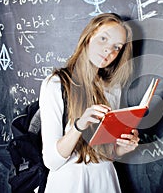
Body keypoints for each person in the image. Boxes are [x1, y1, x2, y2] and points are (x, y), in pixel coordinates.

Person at [39, 13, 139, 193]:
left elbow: (106, 154)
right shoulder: (56, 84)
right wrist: (79, 126)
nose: (109, 51)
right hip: (69, 183)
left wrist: (123, 149)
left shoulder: (113, 89)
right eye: (103, 39)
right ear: (88, 37)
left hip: (105, 180)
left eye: (117, 47)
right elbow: (51, 162)